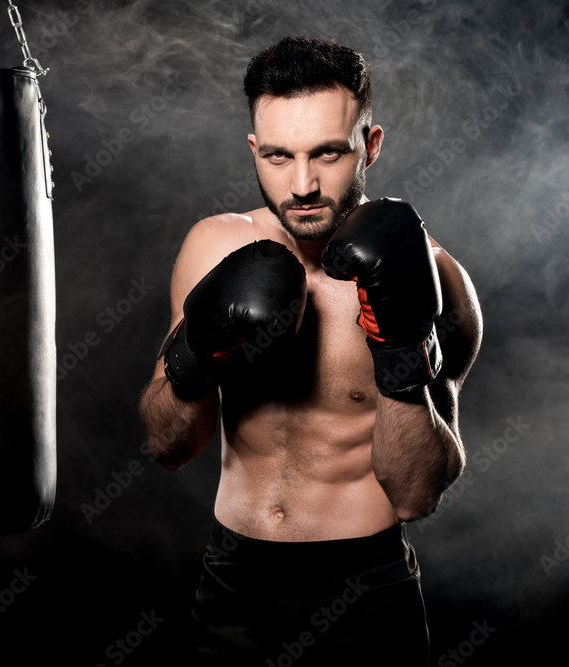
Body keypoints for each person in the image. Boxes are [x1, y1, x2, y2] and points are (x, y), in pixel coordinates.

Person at [138, 35, 482, 666]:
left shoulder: (433, 279)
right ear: (254, 151)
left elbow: (415, 494)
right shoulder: (212, 248)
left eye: (328, 153)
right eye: (277, 156)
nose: (301, 185)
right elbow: (168, 446)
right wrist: (197, 350)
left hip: (366, 593)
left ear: (370, 146)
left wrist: (401, 356)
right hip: (233, 582)